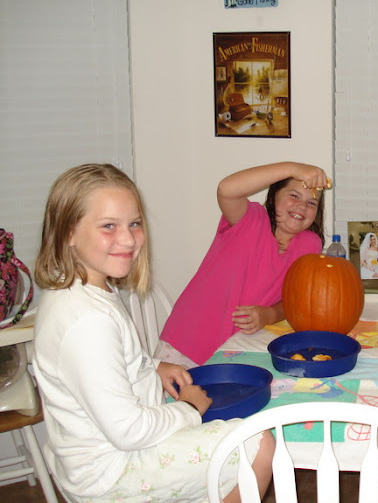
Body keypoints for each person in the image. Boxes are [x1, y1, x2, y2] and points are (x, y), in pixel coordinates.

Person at [32, 164, 274, 503]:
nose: (128, 239)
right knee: (256, 442)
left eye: (134, 223)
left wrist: (152, 365)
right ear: (68, 232)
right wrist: (188, 409)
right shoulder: (86, 320)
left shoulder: (82, 289)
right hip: (111, 473)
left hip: (89, 458)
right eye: (108, 226)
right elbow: (128, 430)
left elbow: (103, 361)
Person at [158, 162, 328, 367]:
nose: (302, 206)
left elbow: (296, 300)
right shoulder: (250, 219)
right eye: (293, 195)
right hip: (187, 343)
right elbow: (226, 189)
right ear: (274, 196)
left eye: (312, 203)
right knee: (174, 400)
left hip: (240, 351)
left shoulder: (310, 244)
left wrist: (271, 314)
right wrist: (292, 169)